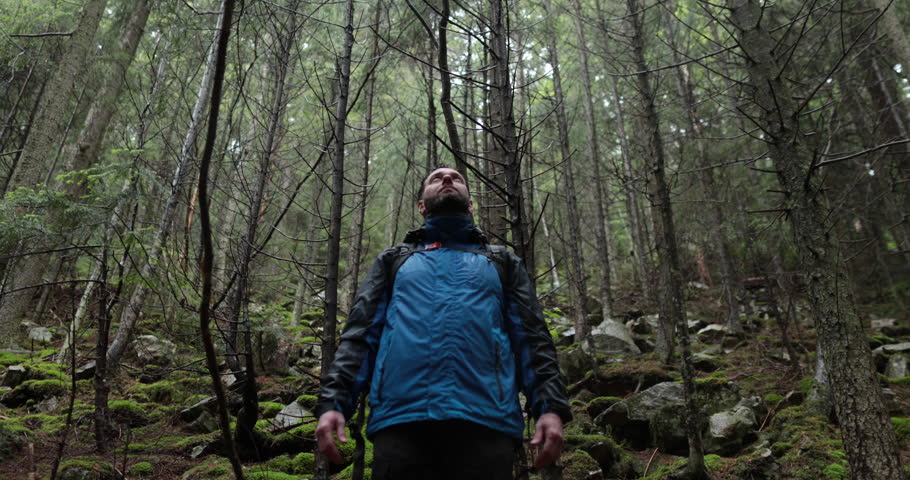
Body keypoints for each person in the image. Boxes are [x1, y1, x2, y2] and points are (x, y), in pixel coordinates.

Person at [314, 166, 571, 479]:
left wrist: (550, 408)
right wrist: (334, 404)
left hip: (487, 424)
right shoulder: (394, 260)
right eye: (437, 178)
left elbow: (532, 341)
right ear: (421, 205)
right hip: (401, 422)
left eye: (457, 178)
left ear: (471, 204)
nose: (448, 179)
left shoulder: (501, 261)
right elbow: (360, 338)